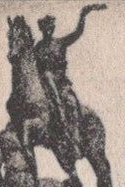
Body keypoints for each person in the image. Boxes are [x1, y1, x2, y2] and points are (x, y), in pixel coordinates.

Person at [33, 5, 107, 160]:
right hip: (43, 89)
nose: (48, 30)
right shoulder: (37, 49)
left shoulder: (60, 43)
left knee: (71, 104)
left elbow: (77, 33)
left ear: (52, 28)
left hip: (61, 86)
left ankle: (74, 141)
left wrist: (83, 16)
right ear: (42, 29)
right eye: (45, 27)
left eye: (50, 27)